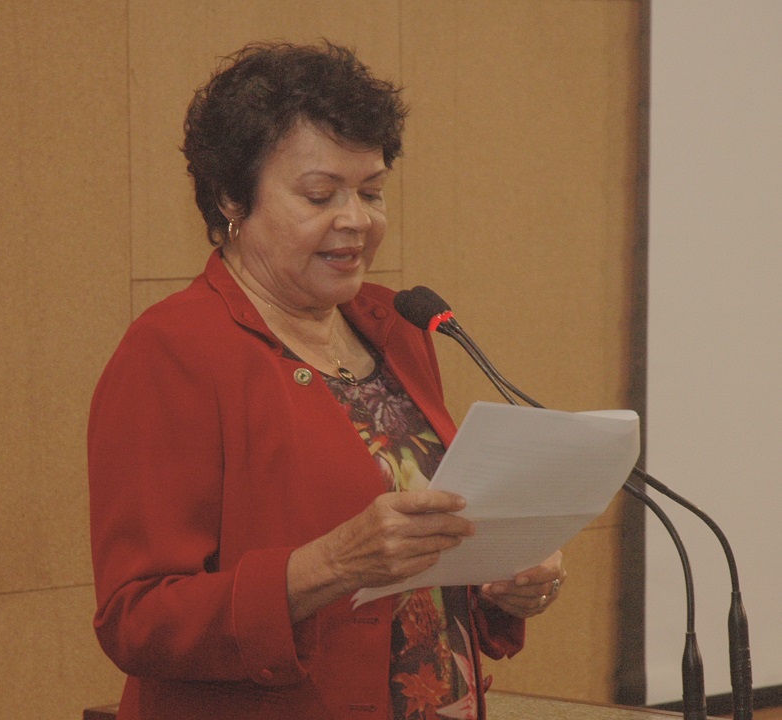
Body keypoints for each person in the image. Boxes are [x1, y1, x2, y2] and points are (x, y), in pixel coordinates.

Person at [88, 41, 567, 720]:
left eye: (371, 191)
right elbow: (137, 618)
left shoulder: (396, 326)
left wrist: (499, 580)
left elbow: (419, 568)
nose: (357, 220)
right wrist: (331, 565)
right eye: (320, 194)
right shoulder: (174, 350)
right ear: (232, 197)